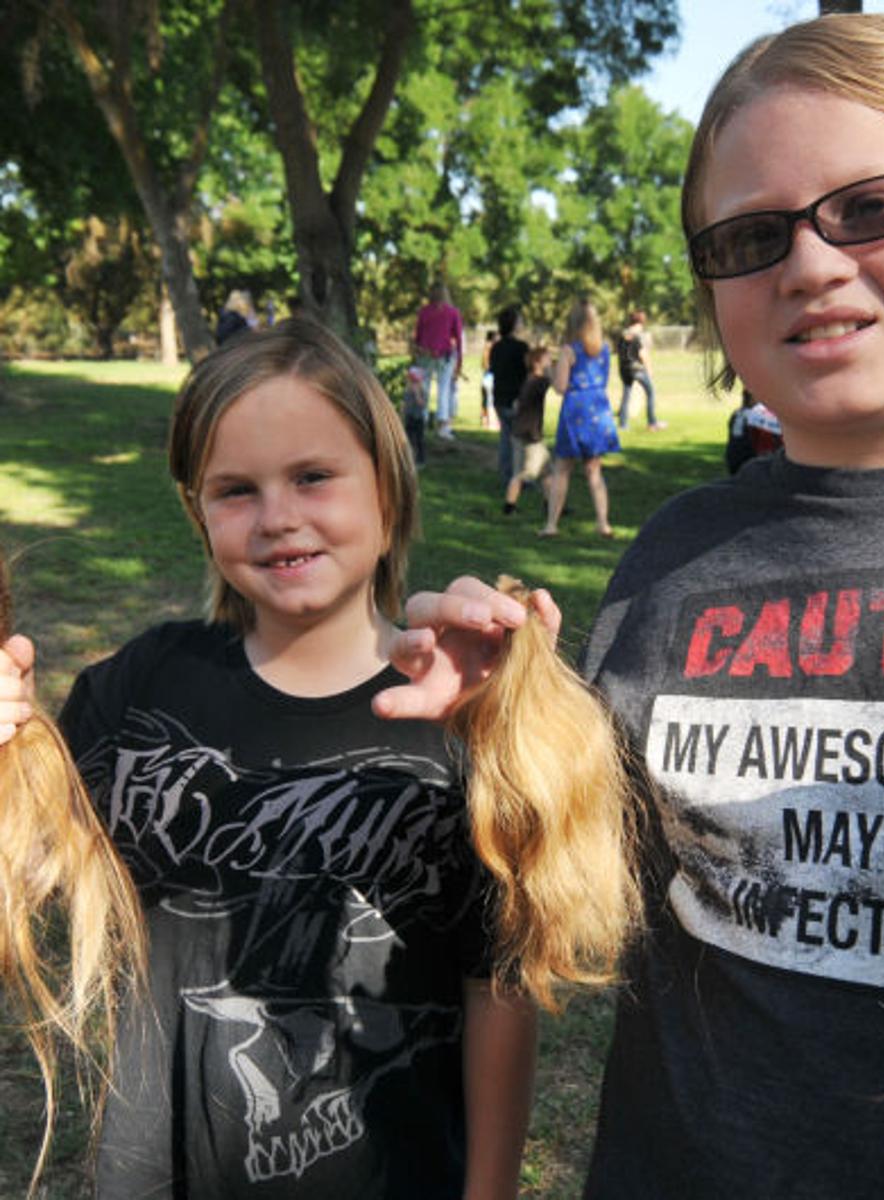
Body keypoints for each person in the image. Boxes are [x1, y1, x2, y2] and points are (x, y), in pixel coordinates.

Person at [387, 15, 884, 1198]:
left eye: (872, 207)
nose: (811, 264)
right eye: (753, 235)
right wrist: (511, 732)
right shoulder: (677, 552)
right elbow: (613, 888)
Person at [0, 321, 539, 1200]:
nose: (279, 516)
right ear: (197, 511)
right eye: (236, 490)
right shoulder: (136, 690)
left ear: (389, 489)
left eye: (314, 476)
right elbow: (21, 882)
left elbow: (500, 991)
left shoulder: (463, 716)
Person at [542, 299, 621, 539]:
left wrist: (548, 369)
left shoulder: (569, 350)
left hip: (575, 410)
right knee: (594, 470)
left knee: (562, 468)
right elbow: (604, 380)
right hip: (597, 408)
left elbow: (560, 387)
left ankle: (551, 525)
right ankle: (603, 523)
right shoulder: (604, 349)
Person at [503, 346, 553, 515]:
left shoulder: (530, 380)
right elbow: (555, 382)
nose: (550, 362)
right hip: (529, 435)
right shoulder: (539, 382)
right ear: (538, 362)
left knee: (546, 471)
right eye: (548, 359)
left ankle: (551, 505)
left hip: (521, 432)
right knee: (527, 473)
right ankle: (509, 507)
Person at [414, 283, 463, 440]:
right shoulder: (453, 312)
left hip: (425, 355)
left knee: (424, 389)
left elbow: (418, 336)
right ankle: (443, 426)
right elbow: (458, 337)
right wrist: (459, 359)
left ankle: (422, 421)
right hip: (445, 355)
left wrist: (417, 352)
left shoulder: (424, 312)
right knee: (444, 390)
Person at [489, 306, 530, 483]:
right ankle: (521, 477)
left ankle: (506, 474)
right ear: (514, 325)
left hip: (499, 399)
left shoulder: (496, 348)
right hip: (516, 399)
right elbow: (527, 372)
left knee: (506, 437)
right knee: (520, 441)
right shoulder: (521, 348)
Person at [616, 311, 665, 431]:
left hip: (624, 369)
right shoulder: (637, 336)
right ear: (640, 322)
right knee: (650, 392)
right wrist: (649, 370)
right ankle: (652, 422)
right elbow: (642, 354)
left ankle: (623, 424)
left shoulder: (623, 335)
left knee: (626, 396)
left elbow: (619, 353)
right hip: (637, 369)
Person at [401, 363, 428, 467]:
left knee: (419, 439)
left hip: (419, 418)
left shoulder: (422, 391)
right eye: (411, 381)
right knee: (408, 439)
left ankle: (421, 459)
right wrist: (402, 412)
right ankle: (409, 459)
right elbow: (405, 404)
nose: (413, 384)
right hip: (409, 417)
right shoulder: (407, 391)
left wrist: (417, 394)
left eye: (415, 381)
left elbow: (423, 404)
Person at [480, 330, 498, 429]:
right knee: (490, 400)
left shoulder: (486, 347)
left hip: (486, 377)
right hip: (490, 377)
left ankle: (485, 421)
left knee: (486, 400)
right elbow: (486, 365)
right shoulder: (490, 348)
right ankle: (492, 423)